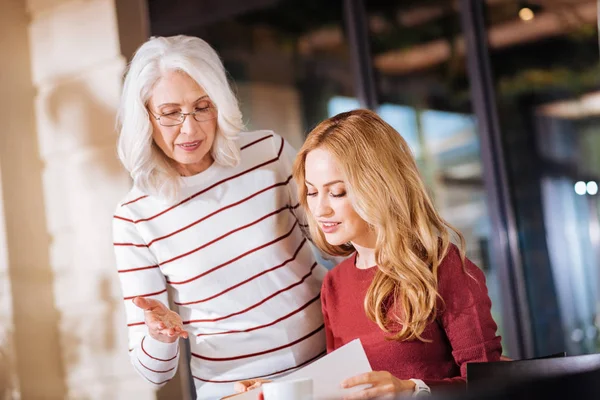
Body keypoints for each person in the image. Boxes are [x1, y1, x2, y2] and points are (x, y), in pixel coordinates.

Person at [112, 35, 328, 400]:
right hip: (235, 391)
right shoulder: (134, 218)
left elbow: (337, 245)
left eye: (202, 106)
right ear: (144, 116)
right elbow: (153, 373)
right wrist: (159, 335)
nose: (191, 129)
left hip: (327, 366)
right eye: (170, 113)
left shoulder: (267, 153)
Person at [290, 109, 502, 398]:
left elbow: (491, 384)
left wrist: (412, 390)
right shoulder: (334, 285)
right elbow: (341, 390)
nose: (319, 209)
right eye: (312, 192)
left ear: (378, 187)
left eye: (337, 192)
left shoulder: (441, 265)